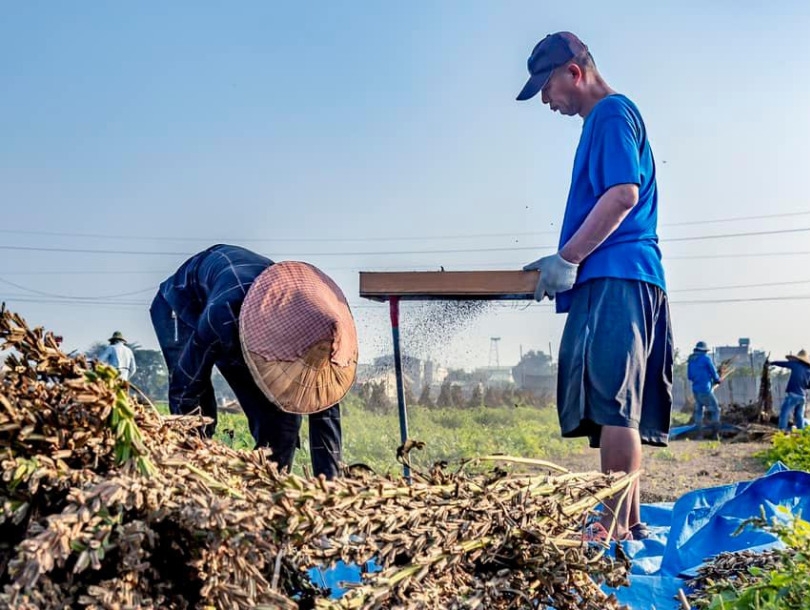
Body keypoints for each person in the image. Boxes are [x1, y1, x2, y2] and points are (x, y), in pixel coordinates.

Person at [517, 32, 672, 541]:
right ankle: (626, 522)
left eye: (547, 87)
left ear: (574, 73)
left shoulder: (608, 114)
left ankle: (609, 526)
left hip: (618, 275)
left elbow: (623, 194)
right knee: (615, 408)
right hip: (624, 276)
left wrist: (567, 258)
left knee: (613, 403)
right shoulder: (610, 120)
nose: (546, 100)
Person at [150, 244, 358, 479]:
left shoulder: (324, 336)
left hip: (251, 312)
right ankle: (190, 477)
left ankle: (268, 482)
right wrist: (191, 449)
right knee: (196, 409)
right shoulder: (224, 313)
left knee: (283, 420)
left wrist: (330, 482)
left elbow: (323, 407)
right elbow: (186, 384)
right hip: (182, 306)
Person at [686, 341, 722, 436]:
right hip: (705, 389)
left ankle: (699, 434)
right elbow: (713, 371)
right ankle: (715, 433)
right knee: (715, 409)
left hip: (695, 390)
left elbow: (689, 376)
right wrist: (717, 379)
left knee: (699, 410)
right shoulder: (706, 358)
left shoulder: (691, 360)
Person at [770, 350, 810, 431]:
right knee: (799, 415)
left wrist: (772, 363)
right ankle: (801, 430)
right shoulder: (808, 370)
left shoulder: (796, 365)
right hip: (802, 396)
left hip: (793, 394)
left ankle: (782, 429)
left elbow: (784, 364)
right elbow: (808, 386)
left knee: (785, 412)